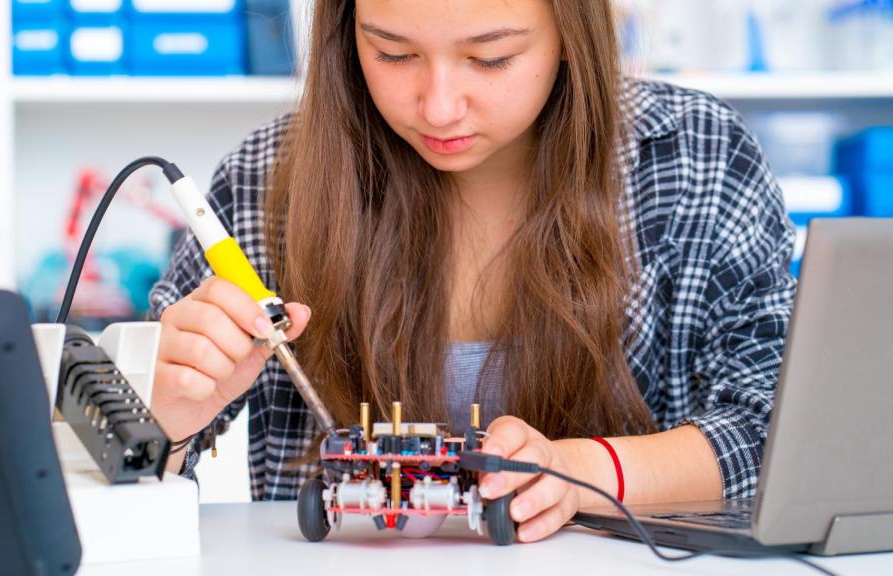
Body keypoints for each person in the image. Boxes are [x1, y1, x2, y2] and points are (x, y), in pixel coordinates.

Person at [147, 0, 796, 544]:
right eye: (393, 53)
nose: (438, 107)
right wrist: (168, 413)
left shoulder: (694, 157)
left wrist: (575, 472)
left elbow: (775, 431)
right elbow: (115, 465)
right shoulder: (268, 181)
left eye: (491, 57)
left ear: (572, 34)